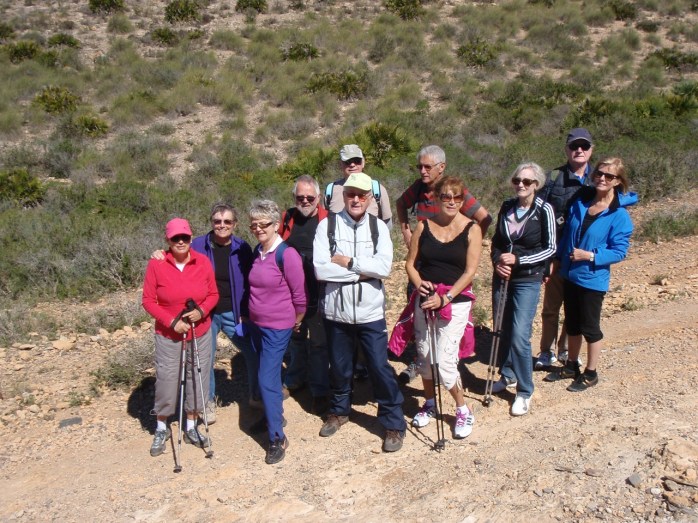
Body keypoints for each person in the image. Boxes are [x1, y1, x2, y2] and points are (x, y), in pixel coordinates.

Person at [314, 172, 407, 452]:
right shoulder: (327, 226)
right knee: (340, 366)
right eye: (351, 194)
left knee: (379, 367)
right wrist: (362, 272)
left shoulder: (379, 228)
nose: (356, 199)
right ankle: (339, 411)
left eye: (361, 195)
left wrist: (349, 263)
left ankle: (393, 422)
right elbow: (321, 270)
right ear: (343, 196)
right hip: (336, 312)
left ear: (369, 198)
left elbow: (384, 268)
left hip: (370, 314)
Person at [152, 204, 257, 422]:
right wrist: (160, 253)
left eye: (227, 221)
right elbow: (176, 252)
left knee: (252, 351)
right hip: (204, 314)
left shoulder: (242, 247)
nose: (222, 225)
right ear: (211, 223)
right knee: (204, 360)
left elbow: (250, 281)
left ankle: (257, 394)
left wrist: (246, 311)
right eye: (217, 221)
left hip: (233, 312)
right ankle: (206, 402)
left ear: (235, 224)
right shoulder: (198, 245)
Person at [395, 145, 492, 381]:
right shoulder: (419, 188)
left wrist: (467, 243)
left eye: (427, 167)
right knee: (418, 309)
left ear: (441, 167)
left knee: (445, 315)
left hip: (448, 267)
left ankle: (444, 361)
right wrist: (406, 231)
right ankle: (421, 361)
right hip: (422, 261)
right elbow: (400, 203)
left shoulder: (454, 192)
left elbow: (484, 218)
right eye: (420, 166)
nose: (422, 171)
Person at [545, 158, 636, 391]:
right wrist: (557, 260)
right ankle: (571, 365)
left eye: (609, 176)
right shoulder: (582, 203)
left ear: (618, 181)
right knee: (572, 323)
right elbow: (567, 237)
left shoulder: (619, 215)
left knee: (590, 327)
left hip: (593, 279)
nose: (602, 178)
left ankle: (591, 373)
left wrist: (591, 256)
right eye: (599, 173)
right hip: (570, 273)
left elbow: (619, 251)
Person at [405, 176, 482, 438]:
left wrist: (445, 297)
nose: (451, 201)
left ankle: (462, 409)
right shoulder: (423, 226)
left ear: (462, 200)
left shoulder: (472, 229)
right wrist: (419, 285)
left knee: (446, 362)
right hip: (426, 299)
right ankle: (429, 404)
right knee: (425, 356)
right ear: (436, 198)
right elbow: (410, 264)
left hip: (454, 301)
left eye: (457, 197)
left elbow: (470, 272)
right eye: (446, 196)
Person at [142, 218, 219, 457]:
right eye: (175, 238)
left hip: (199, 331)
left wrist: (201, 311)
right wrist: (172, 322)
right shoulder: (157, 264)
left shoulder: (202, 261)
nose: (181, 241)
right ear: (168, 240)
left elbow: (213, 294)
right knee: (167, 379)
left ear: (190, 237)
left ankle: (191, 426)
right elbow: (148, 301)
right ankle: (161, 427)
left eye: (184, 237)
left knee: (197, 377)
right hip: (169, 334)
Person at [489, 163, 556, 416]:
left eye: (527, 182)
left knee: (519, 334)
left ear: (536, 185)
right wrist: (497, 262)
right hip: (503, 277)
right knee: (503, 329)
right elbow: (497, 242)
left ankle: (525, 390)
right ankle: (507, 374)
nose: (521, 185)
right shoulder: (507, 206)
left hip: (528, 279)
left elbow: (551, 248)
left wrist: (519, 260)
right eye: (517, 180)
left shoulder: (544, 209)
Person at [247, 200, 306, 464]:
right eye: (254, 225)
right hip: (257, 325)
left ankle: (277, 437)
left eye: (264, 224)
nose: (258, 229)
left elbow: (299, 296)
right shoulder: (258, 251)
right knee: (267, 376)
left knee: (266, 379)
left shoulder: (286, 254)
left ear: (276, 225)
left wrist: (297, 320)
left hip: (278, 327)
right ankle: (274, 417)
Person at [535, 128, 594, 369]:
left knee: (574, 307)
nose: (579, 150)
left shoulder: (599, 179)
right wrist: (545, 257)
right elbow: (539, 215)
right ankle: (546, 351)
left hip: (583, 256)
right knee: (551, 307)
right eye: (574, 146)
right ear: (566, 150)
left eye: (584, 146)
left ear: (591, 150)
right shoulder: (552, 178)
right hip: (557, 255)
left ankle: (566, 349)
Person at [279, 175, 331, 414]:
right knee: (296, 339)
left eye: (310, 197)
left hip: (319, 291)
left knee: (319, 343)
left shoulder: (328, 220)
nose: (305, 201)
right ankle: (295, 380)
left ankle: (319, 390)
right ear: (294, 197)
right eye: (300, 197)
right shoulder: (287, 218)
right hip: (291, 294)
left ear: (318, 197)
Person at [325, 144, 393, 228]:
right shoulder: (330, 190)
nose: (352, 165)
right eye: (347, 161)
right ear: (340, 164)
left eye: (357, 161)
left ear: (363, 163)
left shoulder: (377, 189)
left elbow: (387, 225)